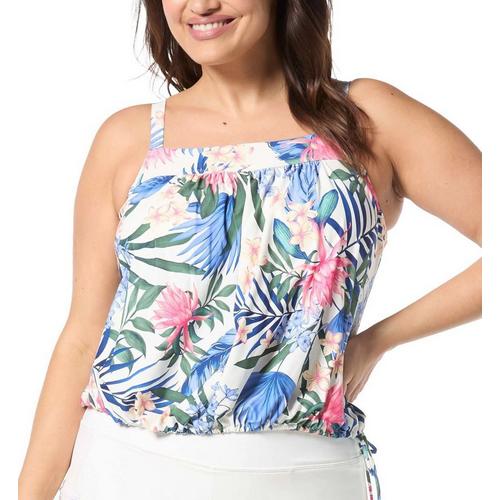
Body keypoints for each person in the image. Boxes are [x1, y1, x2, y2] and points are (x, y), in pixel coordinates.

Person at [18, 1, 482, 499]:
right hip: (123, 471)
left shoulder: (365, 119)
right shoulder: (128, 138)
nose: (201, 5)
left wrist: (378, 340)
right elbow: (82, 337)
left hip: (305, 478)